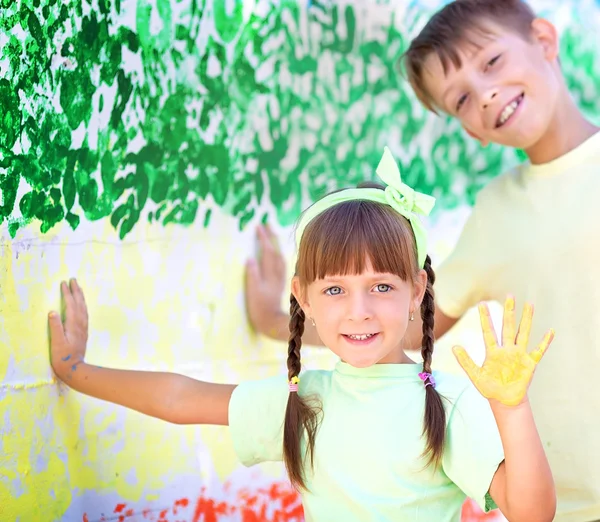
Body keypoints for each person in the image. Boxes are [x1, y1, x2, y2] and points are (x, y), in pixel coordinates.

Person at [48, 148, 556, 522]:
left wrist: (511, 410)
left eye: (380, 285)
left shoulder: (448, 404)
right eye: (334, 290)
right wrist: (74, 370)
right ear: (303, 296)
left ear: (417, 289)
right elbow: (181, 398)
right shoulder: (303, 401)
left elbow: (533, 514)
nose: (359, 311)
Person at [244, 1, 600, 520]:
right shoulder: (495, 214)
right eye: (461, 99)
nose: (485, 94)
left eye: (492, 62)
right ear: (470, 130)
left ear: (544, 40)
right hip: (561, 504)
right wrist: (277, 322)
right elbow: (401, 329)